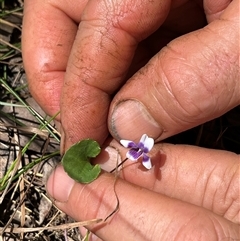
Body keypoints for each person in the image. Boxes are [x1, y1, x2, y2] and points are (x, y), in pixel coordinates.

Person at [22, 0, 239, 240]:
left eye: (138, 150)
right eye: (137, 150)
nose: (136, 151)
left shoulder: (141, 148)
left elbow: (140, 148)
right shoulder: (139, 154)